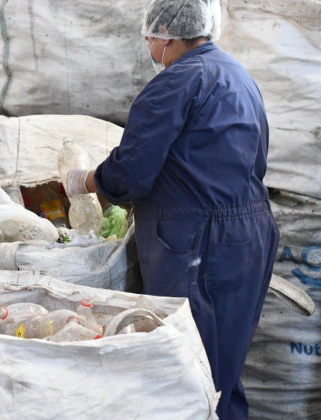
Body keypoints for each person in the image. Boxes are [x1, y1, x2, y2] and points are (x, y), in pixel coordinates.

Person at [60, 1, 278, 418]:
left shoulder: (175, 83)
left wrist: (85, 181)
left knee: (189, 371)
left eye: (148, 38)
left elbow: (133, 172)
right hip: (250, 232)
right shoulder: (237, 75)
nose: (148, 45)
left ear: (164, 34)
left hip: (200, 240)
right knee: (224, 370)